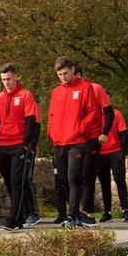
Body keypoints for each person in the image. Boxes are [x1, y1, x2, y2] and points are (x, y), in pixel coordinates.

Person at [46, 56, 101, 228]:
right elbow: (52, 115)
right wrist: (51, 132)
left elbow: (94, 113)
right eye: (59, 74)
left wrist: (80, 128)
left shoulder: (85, 88)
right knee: (63, 179)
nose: (63, 77)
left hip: (77, 141)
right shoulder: (56, 92)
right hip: (59, 141)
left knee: (73, 177)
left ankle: (71, 216)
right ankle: (75, 214)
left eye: (65, 73)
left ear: (72, 70)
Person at [0, 64, 40, 231]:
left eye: (9, 79)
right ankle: (18, 219)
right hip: (2, 147)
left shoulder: (26, 96)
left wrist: (25, 146)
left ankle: (13, 220)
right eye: (3, 79)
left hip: (18, 146)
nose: (6, 82)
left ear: (16, 77)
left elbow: (31, 123)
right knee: (9, 183)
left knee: (17, 182)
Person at [75, 67, 114, 224]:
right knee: (73, 175)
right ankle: (75, 211)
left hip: (93, 138)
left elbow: (109, 112)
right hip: (75, 139)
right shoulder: (68, 93)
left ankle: (88, 211)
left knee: (87, 174)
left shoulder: (96, 89)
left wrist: (104, 132)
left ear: (79, 75)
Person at [96, 108, 128, 222]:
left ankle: (125, 210)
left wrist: (123, 152)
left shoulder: (117, 114)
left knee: (120, 180)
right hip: (100, 155)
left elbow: (124, 133)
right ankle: (107, 212)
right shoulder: (95, 116)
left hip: (115, 152)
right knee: (104, 183)